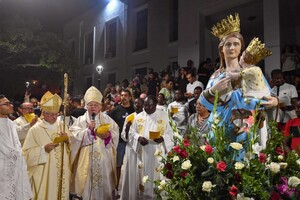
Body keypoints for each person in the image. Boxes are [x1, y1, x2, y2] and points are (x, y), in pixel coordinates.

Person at [200, 13, 278, 160]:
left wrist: (274, 101)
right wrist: (212, 91)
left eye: (236, 44)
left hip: (248, 126)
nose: (231, 48)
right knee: (223, 164)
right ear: (221, 49)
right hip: (222, 126)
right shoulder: (216, 75)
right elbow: (205, 105)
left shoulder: (251, 72)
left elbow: (267, 94)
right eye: (228, 44)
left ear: (241, 47)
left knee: (247, 164)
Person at [69, 86, 119, 200]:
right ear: (86, 106)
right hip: (85, 160)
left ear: (100, 106)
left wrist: (108, 136)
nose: (93, 107)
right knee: (87, 185)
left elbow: (115, 133)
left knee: (104, 183)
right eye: (90, 105)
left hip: (104, 160)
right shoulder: (80, 120)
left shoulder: (107, 119)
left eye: (95, 105)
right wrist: (87, 131)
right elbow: (73, 137)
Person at [22, 91, 70, 199]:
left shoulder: (61, 126)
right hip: (44, 172)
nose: (54, 117)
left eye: (56, 114)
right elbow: (26, 154)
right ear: (44, 113)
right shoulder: (35, 130)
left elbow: (70, 146)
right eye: (51, 114)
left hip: (61, 170)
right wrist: (43, 149)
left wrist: (67, 139)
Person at [128, 95, 174, 199]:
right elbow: (132, 132)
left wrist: (162, 138)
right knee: (144, 177)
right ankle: (144, 196)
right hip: (144, 151)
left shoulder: (163, 116)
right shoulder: (138, 117)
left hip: (158, 150)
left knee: (157, 176)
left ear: (155, 105)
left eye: (150, 106)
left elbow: (170, 133)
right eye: (145, 106)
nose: (147, 108)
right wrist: (139, 137)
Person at [0, 94, 32, 199]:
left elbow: (17, 140)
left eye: (10, 103)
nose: (11, 105)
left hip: (14, 168)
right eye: (6, 104)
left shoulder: (10, 123)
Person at [108, 89, 135, 196]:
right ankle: (116, 189)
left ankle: (131, 190)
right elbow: (107, 119)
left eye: (125, 95)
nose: (123, 97)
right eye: (122, 95)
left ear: (130, 97)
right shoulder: (116, 109)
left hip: (131, 142)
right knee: (118, 166)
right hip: (119, 142)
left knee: (132, 165)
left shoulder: (135, 108)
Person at [120, 98, 144, 200]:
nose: (137, 105)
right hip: (131, 149)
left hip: (143, 149)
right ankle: (130, 196)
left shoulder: (146, 117)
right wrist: (127, 129)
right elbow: (123, 137)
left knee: (142, 173)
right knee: (131, 172)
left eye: (139, 103)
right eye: (135, 103)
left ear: (143, 105)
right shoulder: (129, 117)